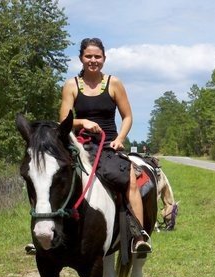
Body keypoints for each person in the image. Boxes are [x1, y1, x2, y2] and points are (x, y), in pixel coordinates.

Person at [59, 37, 151, 254]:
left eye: (97, 56)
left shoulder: (114, 83)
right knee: (53, 175)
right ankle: (46, 234)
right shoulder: (71, 85)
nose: (93, 60)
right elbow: (64, 122)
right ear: (81, 58)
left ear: (104, 58)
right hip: (79, 145)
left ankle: (138, 235)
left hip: (109, 146)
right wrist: (82, 122)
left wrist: (120, 139)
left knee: (129, 179)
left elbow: (127, 116)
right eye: (88, 56)